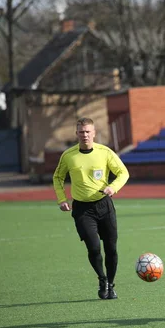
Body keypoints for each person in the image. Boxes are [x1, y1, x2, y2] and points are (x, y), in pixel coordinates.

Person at [53, 117, 130, 300]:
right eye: (81, 131)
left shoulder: (105, 152)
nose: (85, 135)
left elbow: (123, 172)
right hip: (82, 209)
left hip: (104, 205)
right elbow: (58, 178)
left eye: (88, 131)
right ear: (76, 133)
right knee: (94, 248)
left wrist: (113, 187)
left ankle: (111, 285)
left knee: (111, 248)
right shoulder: (69, 155)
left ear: (94, 133)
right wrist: (61, 199)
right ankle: (102, 279)